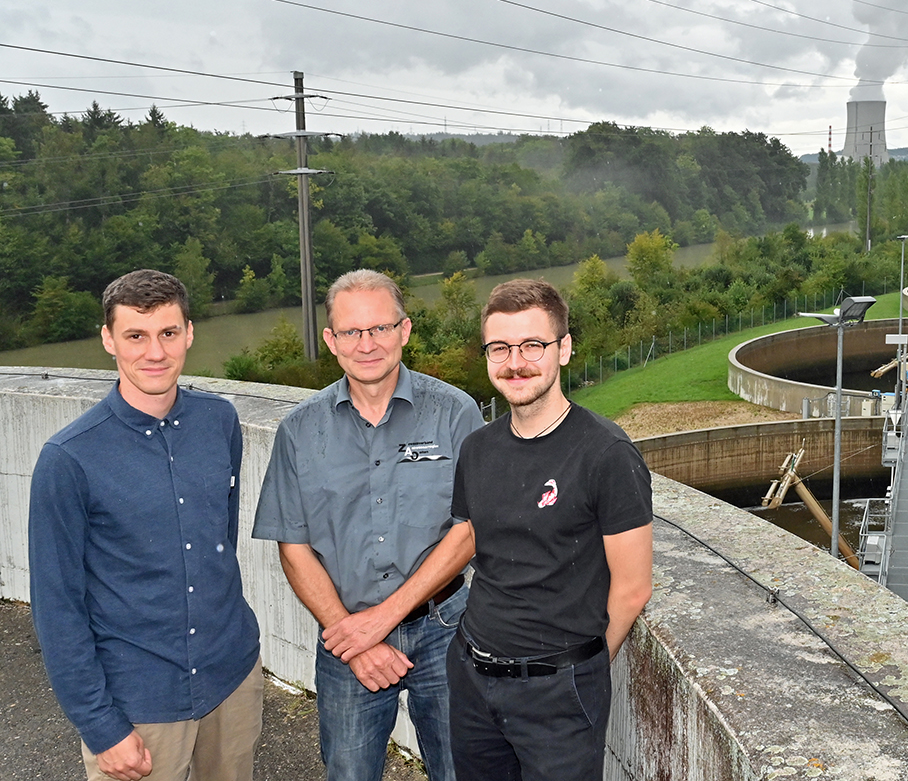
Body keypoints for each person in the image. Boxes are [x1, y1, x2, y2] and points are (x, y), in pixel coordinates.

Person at [30, 269, 263, 781]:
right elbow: (57, 606)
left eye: (168, 333)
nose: (154, 352)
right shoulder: (68, 458)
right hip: (138, 704)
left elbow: (219, 539)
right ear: (108, 340)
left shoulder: (219, 421)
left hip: (232, 681)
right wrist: (100, 725)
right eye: (136, 335)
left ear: (189, 333)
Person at [253, 269, 483, 781]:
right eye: (352, 332)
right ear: (331, 341)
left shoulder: (454, 413)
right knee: (349, 772)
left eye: (380, 328)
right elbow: (294, 547)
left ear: (404, 330)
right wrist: (353, 637)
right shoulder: (298, 431)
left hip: (446, 629)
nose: (368, 344)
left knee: (461, 769)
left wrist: (383, 619)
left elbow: (469, 530)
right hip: (346, 638)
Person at [446, 278, 653, 781]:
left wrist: (582, 672)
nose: (515, 362)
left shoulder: (607, 454)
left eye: (532, 345)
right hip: (472, 679)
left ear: (564, 350)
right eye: (500, 348)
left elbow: (633, 587)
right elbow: (478, 543)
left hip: (559, 692)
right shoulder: (476, 449)